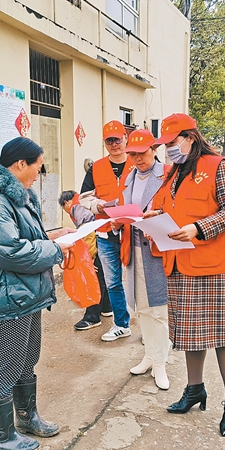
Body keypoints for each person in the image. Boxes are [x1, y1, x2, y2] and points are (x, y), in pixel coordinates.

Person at [0, 137, 74, 450]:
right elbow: (10, 251)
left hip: (26, 290)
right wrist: (56, 249)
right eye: (37, 167)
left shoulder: (19, 196)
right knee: (8, 365)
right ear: (20, 165)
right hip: (5, 292)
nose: (39, 174)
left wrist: (56, 235)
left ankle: (26, 417)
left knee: (28, 357)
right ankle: (1, 434)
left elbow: (26, 238)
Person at [150, 113, 225, 437]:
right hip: (179, 266)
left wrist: (199, 228)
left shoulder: (219, 166)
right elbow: (165, 208)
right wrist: (152, 219)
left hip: (213, 269)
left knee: (222, 338)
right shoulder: (173, 174)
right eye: (164, 145)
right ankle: (195, 389)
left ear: (190, 138)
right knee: (190, 335)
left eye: (172, 143)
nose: (168, 150)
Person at [115, 129, 172, 390]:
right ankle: (149, 355)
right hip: (133, 250)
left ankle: (160, 362)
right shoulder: (128, 178)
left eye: (142, 153)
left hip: (157, 250)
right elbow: (122, 209)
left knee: (159, 309)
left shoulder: (168, 175)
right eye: (133, 154)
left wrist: (157, 215)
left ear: (153, 150)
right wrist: (116, 220)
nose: (137, 159)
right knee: (141, 307)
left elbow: (176, 212)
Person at [79, 120, 134, 342]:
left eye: (117, 139)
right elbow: (84, 198)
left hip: (134, 231)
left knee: (140, 279)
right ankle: (122, 324)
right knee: (112, 281)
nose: (114, 144)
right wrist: (100, 205)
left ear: (125, 138)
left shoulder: (138, 161)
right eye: (109, 140)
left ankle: (152, 327)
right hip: (105, 231)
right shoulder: (97, 167)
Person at [58, 190, 113, 330]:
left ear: (66, 202)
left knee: (92, 280)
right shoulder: (83, 202)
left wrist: (89, 260)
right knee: (101, 277)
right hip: (107, 240)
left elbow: (88, 233)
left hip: (99, 245)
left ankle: (92, 317)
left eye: (64, 208)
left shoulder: (77, 207)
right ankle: (106, 307)